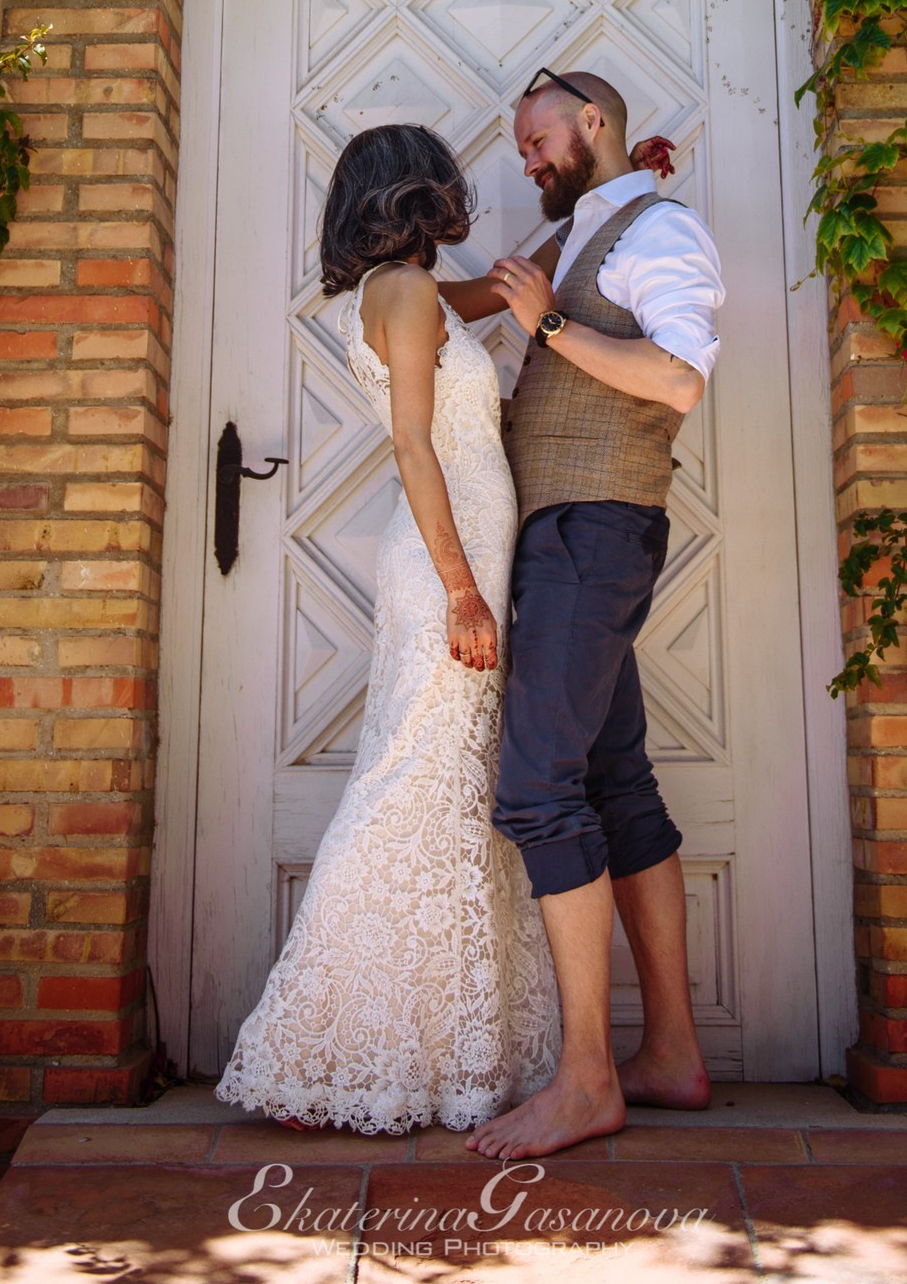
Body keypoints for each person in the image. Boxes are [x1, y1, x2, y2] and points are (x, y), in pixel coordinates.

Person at [215, 121, 558, 1134]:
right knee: (416, 788)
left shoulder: (414, 288)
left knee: (456, 795)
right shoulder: (399, 292)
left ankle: (443, 1052)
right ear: (415, 188)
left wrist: (595, 206)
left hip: (471, 560)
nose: (458, 188)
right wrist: (461, 587)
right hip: (446, 570)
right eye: (445, 177)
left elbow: (501, 290)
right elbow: (413, 441)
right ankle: (333, 1042)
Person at [442, 68, 725, 1161]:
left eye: (537, 136)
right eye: (519, 143)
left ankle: (585, 1080)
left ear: (590, 124)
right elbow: (511, 323)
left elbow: (676, 378)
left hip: (596, 530)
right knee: (615, 782)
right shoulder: (580, 230)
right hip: (565, 534)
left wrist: (546, 322)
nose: (525, 155)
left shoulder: (661, 230)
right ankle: (671, 1055)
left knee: (538, 790)